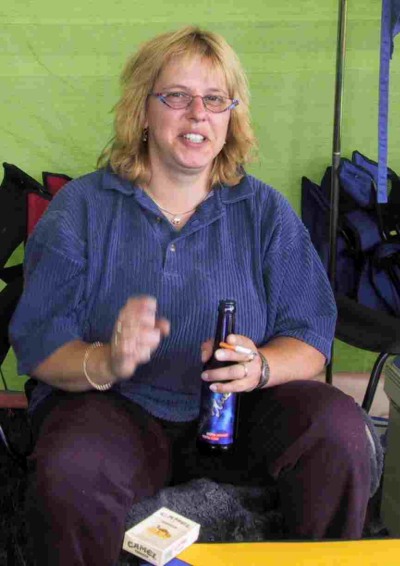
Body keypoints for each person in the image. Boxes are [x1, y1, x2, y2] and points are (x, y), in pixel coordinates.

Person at [10, 26, 373, 566]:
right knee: (72, 469)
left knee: (339, 430)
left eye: (215, 99)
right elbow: (40, 344)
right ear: (143, 111)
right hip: (115, 410)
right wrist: (107, 360)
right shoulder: (81, 209)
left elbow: (311, 337)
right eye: (177, 96)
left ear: (231, 117)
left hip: (241, 413)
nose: (198, 114)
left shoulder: (265, 212)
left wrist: (260, 366)